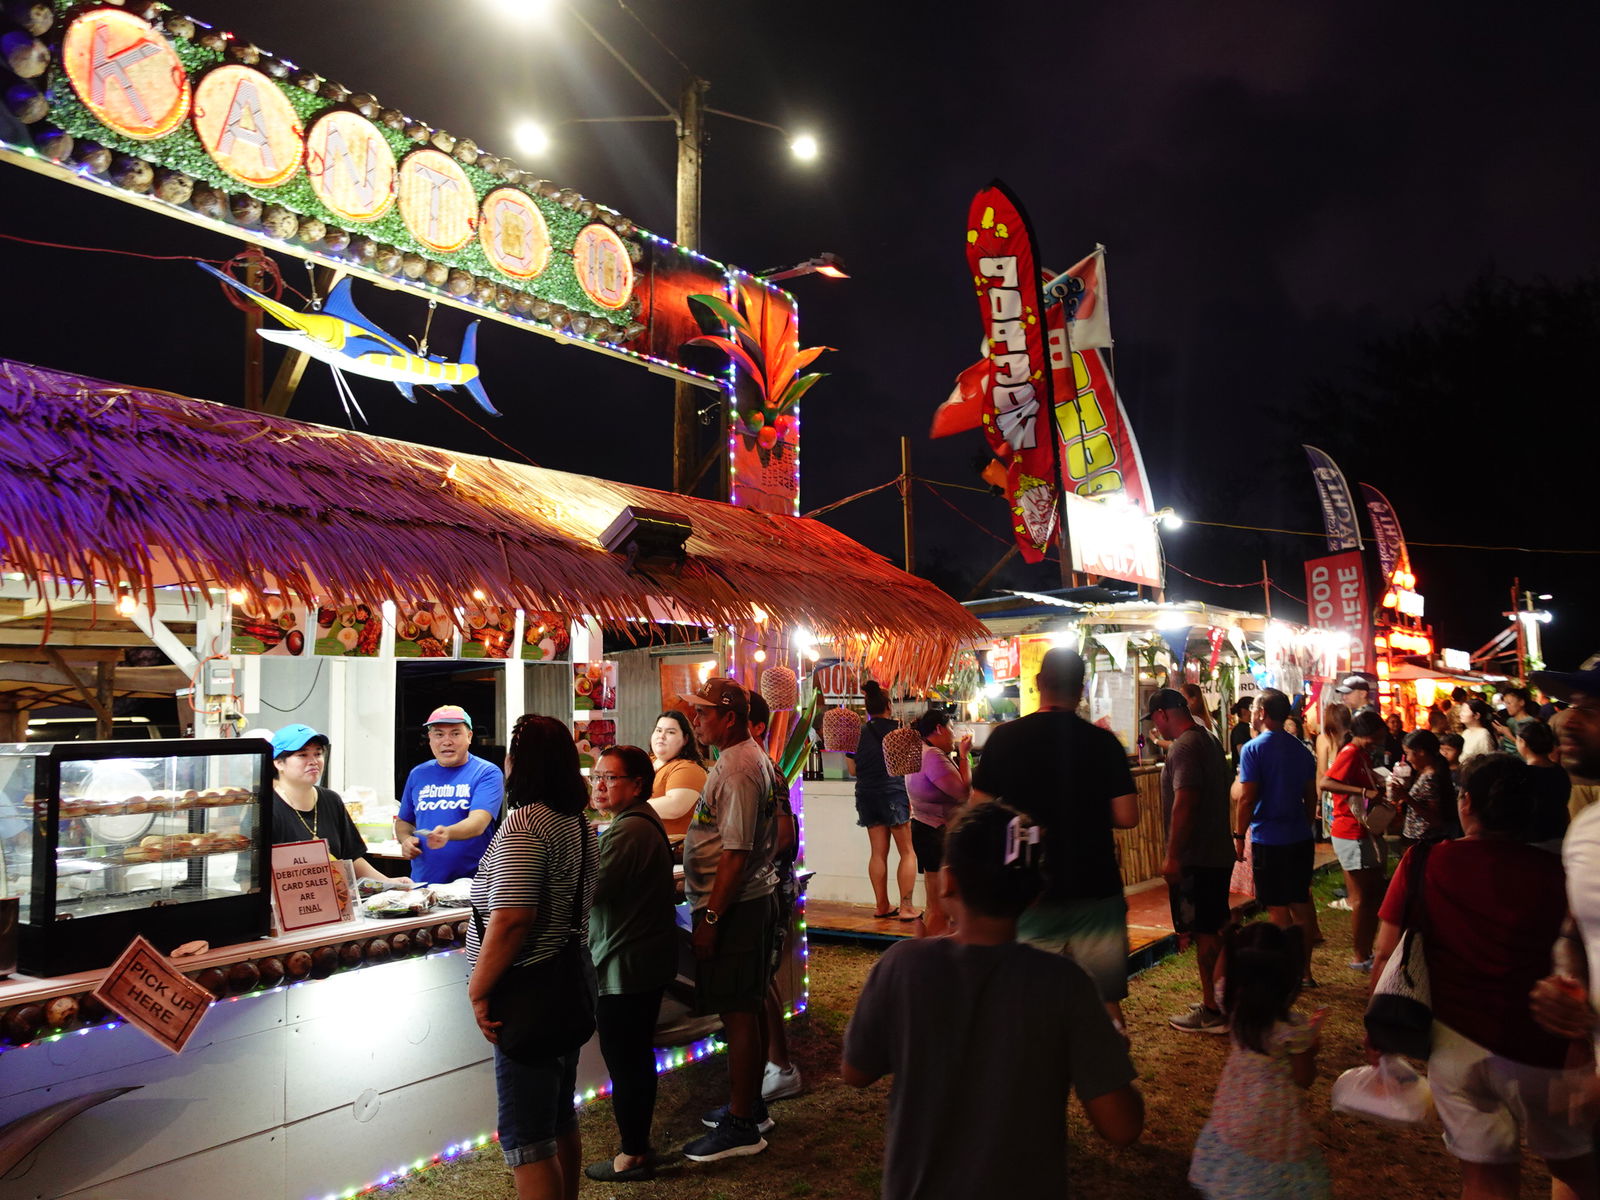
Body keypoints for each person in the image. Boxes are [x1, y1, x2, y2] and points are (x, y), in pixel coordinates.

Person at [841, 802, 1143, 1199]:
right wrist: (1112, 1048)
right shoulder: (1065, 985)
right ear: (1035, 895)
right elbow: (1122, 1126)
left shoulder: (904, 966)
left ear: (948, 883)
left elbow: (856, 1071)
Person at [1371, 753, 1596, 1200]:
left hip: (1456, 1046)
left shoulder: (1424, 860)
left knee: (1486, 1178)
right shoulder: (1561, 875)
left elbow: (1384, 952)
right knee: (1575, 1171)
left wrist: (1379, 1029)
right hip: (1544, 1049)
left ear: (1466, 802)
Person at [465, 714, 598, 1200]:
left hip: (530, 991)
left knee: (528, 1139)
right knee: (559, 1114)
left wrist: (479, 989)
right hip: (567, 980)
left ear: (520, 763)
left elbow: (513, 918)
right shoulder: (577, 823)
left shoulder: (526, 822)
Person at [972, 647, 1140, 1029]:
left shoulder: (1005, 739)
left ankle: (1033, 1081)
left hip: (1027, 888)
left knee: (1026, 1000)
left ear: (1038, 683)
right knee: (1104, 1001)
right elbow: (1127, 816)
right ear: (1080, 689)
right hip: (1095, 884)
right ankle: (1108, 1079)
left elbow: (977, 812)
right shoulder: (1104, 743)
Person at [678, 678, 781, 1161]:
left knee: (739, 1012)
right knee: (748, 1005)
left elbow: (736, 855)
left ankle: (742, 1126)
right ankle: (750, 1106)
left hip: (737, 906)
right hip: (742, 903)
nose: (695, 720)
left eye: (703, 713)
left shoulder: (739, 767)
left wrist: (712, 918)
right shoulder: (737, 757)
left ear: (729, 718)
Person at [583, 745, 677, 1183]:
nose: (599, 785)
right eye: (596, 776)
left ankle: (634, 1154)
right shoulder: (633, 824)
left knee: (627, 1062)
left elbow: (592, 891)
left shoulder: (629, 831)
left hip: (626, 964)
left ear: (638, 784)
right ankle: (636, 1147)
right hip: (636, 958)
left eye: (611, 778)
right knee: (633, 1059)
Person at [1188, 922, 1331, 1199]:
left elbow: (1220, 979)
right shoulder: (1294, 1028)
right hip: (1277, 1124)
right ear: (1290, 976)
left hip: (1232, 1116)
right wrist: (1311, 1050)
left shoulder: (1233, 1006)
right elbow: (1303, 1079)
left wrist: (1228, 943)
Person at [1145, 689, 1236, 1033]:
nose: (1156, 726)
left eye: (1154, 718)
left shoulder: (1184, 745)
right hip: (1216, 851)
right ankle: (1222, 999)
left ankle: (1213, 1009)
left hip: (1199, 856)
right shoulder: (1208, 739)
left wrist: (1172, 855)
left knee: (1205, 932)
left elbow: (1185, 799)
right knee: (1215, 926)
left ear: (1164, 713)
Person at [1232, 689, 1319, 986]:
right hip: (1299, 837)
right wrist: (1303, 825)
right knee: (1302, 907)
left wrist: (1238, 835)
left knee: (1279, 910)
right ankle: (1305, 972)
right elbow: (1311, 796)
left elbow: (1246, 798)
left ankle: (1286, 974)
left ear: (1262, 713)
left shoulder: (1254, 749)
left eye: (1256, 707)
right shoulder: (1301, 749)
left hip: (1269, 838)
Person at [746, 693, 804, 1106]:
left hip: (766, 885)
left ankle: (780, 1066)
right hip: (763, 882)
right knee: (757, 976)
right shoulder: (747, 767)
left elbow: (786, 837)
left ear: (757, 727)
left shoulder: (765, 770)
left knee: (759, 976)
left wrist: (742, 862)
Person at [268, 724, 393, 881]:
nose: (313, 761)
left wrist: (390, 883)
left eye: (318, 753)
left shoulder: (331, 800)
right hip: (288, 902)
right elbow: (254, 877)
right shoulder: (266, 808)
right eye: (302, 755)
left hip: (336, 901)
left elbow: (351, 859)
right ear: (279, 763)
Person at [396, 705, 504, 883]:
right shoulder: (418, 773)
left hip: (472, 886)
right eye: (439, 734)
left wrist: (447, 833)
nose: (446, 741)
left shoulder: (487, 772)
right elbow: (404, 821)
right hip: (423, 884)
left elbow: (478, 823)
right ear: (430, 738)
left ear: (469, 736)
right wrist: (406, 840)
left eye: (455, 733)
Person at [1319, 710, 1389, 971]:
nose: (1380, 740)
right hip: (1350, 831)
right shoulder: (1350, 753)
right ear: (1367, 733)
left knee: (1371, 894)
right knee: (1361, 897)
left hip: (1361, 829)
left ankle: (1366, 952)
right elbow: (1326, 782)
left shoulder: (1360, 754)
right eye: (1377, 735)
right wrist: (1364, 790)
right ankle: (1360, 956)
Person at [846, 680, 919, 921]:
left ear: (867, 707)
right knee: (907, 851)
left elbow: (853, 770)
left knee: (878, 852)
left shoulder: (856, 733)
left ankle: (882, 906)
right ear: (889, 705)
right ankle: (907, 907)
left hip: (866, 793)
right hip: (893, 793)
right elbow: (910, 766)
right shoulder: (899, 729)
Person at [904, 708, 971, 938]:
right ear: (940, 729)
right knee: (940, 903)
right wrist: (963, 756)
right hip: (935, 831)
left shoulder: (919, 751)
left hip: (926, 827)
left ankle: (928, 948)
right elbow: (963, 792)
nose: (953, 735)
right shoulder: (932, 756)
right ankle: (929, 952)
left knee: (935, 900)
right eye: (952, 729)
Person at [1389, 728, 1457, 844]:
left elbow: (1435, 818)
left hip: (1427, 840)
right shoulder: (1425, 772)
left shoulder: (1430, 778)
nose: (1408, 759)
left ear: (1421, 752)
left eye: (1408, 753)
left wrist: (1406, 798)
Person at [646, 710, 707, 838]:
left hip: (673, 849)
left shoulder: (689, 768)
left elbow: (674, 807)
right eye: (658, 730)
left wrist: (626, 804)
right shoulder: (645, 761)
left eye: (670, 732)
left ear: (685, 739)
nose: (661, 736)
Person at [1515, 720, 1570, 849]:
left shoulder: (1521, 774)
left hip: (1532, 839)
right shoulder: (1560, 771)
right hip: (1559, 835)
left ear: (1523, 743)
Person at [1314, 701, 1352, 841]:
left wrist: (1318, 801)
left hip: (1331, 794)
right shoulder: (1353, 739)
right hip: (1351, 793)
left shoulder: (1323, 739)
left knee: (1334, 836)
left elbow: (1321, 772)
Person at [1459, 698, 1499, 763]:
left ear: (1477, 715)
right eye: (1461, 711)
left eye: (1464, 711)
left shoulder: (1483, 735)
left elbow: (1488, 761)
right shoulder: (1466, 732)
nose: (1461, 714)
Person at [1228, 698, 1255, 773]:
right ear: (1245, 711)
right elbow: (1243, 754)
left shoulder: (1248, 728)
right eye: (1253, 708)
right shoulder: (1240, 730)